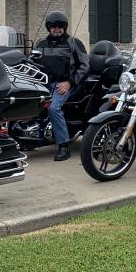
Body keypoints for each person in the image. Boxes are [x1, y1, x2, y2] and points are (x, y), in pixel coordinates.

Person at [34, 10, 89, 160]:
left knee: (53, 108)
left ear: (64, 27)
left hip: (64, 85)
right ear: (48, 27)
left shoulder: (73, 43)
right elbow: (33, 62)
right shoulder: (41, 44)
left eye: (60, 26)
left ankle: (64, 145)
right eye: (53, 26)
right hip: (43, 84)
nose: (57, 29)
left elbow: (84, 66)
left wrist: (70, 82)